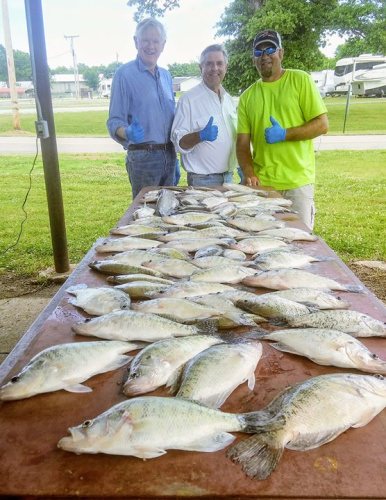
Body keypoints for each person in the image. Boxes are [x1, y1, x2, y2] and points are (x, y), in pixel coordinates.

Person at [237, 29, 328, 229]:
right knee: (265, 240)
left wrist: (286, 134)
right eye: (259, 52)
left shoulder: (300, 80)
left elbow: (322, 124)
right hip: (264, 184)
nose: (265, 56)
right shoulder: (247, 97)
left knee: (300, 242)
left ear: (281, 53)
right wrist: (249, 172)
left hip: (298, 183)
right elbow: (242, 143)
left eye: (270, 49)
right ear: (254, 59)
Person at [107, 18, 177, 198]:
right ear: (136, 42)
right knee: (146, 213)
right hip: (143, 158)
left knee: (169, 210)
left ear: (163, 45)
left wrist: (173, 155)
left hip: (169, 155)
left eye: (156, 41)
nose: (150, 46)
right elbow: (114, 121)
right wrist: (127, 132)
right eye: (145, 40)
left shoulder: (166, 76)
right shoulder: (124, 75)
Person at [171, 44, 237, 187]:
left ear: (226, 66)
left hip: (228, 178)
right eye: (209, 64)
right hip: (202, 181)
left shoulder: (229, 100)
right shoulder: (188, 100)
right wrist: (200, 136)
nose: (215, 68)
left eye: (219, 63)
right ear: (201, 67)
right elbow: (178, 143)